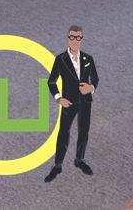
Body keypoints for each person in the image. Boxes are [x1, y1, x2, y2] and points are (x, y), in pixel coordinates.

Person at [44, 25, 99, 182]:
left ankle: (79, 160)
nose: (75, 41)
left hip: (85, 101)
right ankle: (57, 165)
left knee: (84, 131)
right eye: (72, 37)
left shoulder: (88, 59)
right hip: (69, 102)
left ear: (81, 39)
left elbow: (95, 78)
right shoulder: (60, 59)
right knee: (63, 133)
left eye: (78, 38)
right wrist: (59, 98)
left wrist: (91, 88)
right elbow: (51, 81)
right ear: (68, 38)